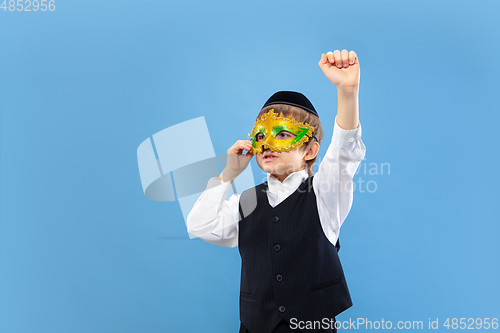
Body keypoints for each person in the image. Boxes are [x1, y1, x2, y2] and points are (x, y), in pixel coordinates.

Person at [186, 49, 366, 333]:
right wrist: (228, 174)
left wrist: (347, 91)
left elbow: (344, 153)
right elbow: (200, 225)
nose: (268, 143)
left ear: (310, 150)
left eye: (282, 133)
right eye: (261, 135)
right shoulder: (244, 201)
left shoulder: (325, 193)